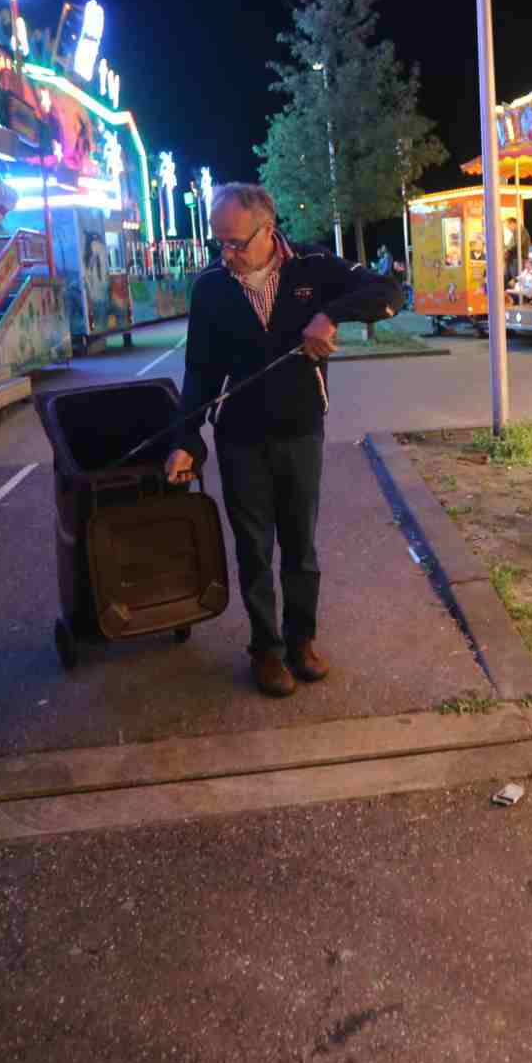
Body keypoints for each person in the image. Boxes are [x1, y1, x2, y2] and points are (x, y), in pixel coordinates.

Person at [165, 185, 396, 696]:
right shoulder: (211, 288)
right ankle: (266, 651)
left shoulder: (313, 266)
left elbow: (387, 292)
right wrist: (185, 439)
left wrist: (331, 315)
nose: (227, 254)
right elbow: (199, 372)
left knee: (300, 547)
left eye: (236, 242)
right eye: (219, 242)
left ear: (267, 230)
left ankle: (301, 642)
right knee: (253, 549)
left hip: (300, 430)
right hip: (239, 436)